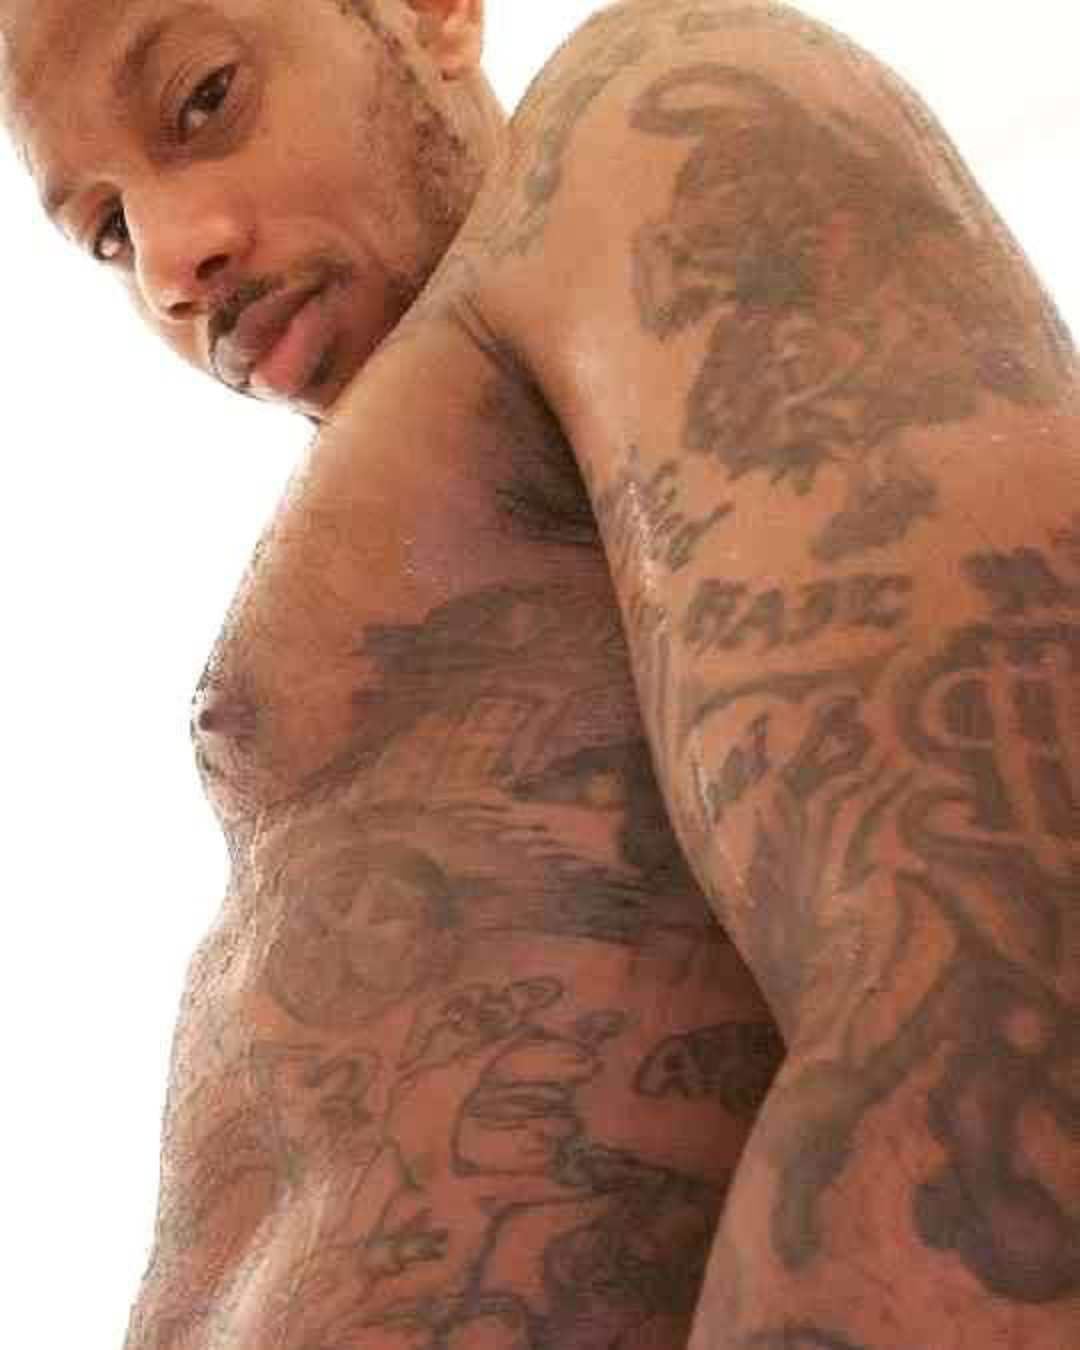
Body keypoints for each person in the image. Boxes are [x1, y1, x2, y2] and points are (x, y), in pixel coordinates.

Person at [3, 0, 1078, 1346]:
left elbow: (1006, 963)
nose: (170, 262)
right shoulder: (416, 533)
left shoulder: (654, 111)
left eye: (205, 99)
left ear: (429, 13)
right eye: (108, 231)